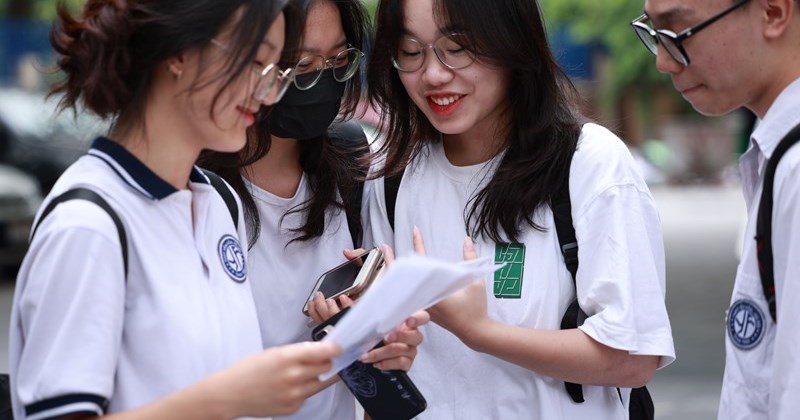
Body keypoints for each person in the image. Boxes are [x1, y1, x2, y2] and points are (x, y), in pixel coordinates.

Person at [8, 1, 344, 419]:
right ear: (180, 54)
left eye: (276, 71)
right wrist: (226, 399)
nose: (267, 92)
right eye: (256, 63)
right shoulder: (89, 224)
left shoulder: (218, 203)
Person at [361, 0, 676, 418]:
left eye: (457, 49)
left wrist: (479, 331)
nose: (433, 75)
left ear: (512, 43)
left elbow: (633, 358)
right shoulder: (390, 179)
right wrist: (365, 328)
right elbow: (387, 372)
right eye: (411, 52)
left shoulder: (588, 162)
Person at [198, 0, 427, 419]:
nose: (322, 80)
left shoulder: (351, 164)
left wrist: (372, 343)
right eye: (302, 65)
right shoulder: (195, 194)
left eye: (338, 60)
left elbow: (359, 377)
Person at [632, 0, 800, 418]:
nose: (664, 63)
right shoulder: (778, 154)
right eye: (653, 33)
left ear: (773, 12)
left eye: (677, 31)